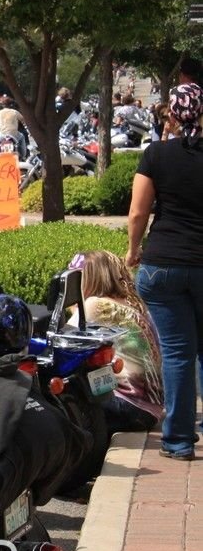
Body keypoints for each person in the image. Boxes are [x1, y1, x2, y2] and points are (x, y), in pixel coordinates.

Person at [127, 83, 203, 460]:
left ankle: (178, 441)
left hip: (164, 264)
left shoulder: (155, 154)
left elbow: (138, 212)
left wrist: (132, 249)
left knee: (177, 353)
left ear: (170, 114)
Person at [68, 250, 165, 430]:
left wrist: (75, 309)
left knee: (65, 404)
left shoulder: (96, 305)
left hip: (129, 407)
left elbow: (65, 338)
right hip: (151, 408)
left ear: (89, 278)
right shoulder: (128, 303)